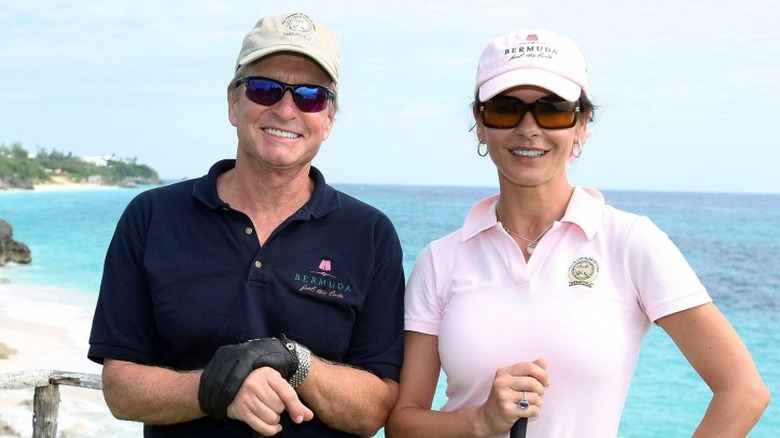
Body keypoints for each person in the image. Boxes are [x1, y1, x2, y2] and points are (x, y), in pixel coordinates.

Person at [385, 29, 769, 437]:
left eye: (552, 110)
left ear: (582, 124)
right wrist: (478, 420)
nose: (528, 128)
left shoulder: (629, 241)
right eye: (505, 109)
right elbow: (403, 423)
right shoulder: (441, 259)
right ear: (480, 124)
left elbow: (743, 391)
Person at [88, 12, 405, 437]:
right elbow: (120, 387)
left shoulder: (370, 235)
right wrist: (217, 388)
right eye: (265, 89)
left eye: (310, 95)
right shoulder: (150, 217)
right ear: (233, 103)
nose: (286, 108)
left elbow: (374, 410)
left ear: (328, 119)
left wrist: (293, 360)